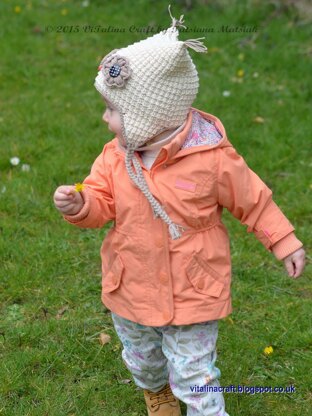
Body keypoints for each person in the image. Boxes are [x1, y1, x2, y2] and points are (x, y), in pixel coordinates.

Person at [53, 6, 306, 416]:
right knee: (144, 359)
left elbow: (253, 199)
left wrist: (283, 240)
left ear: (150, 115)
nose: (104, 118)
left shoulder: (212, 158)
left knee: (195, 373)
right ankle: (156, 391)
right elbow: (102, 200)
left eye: (113, 109)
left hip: (193, 285)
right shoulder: (116, 158)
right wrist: (82, 204)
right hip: (131, 282)